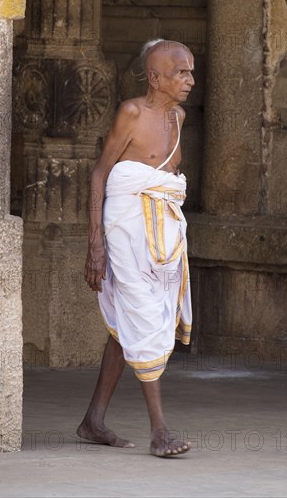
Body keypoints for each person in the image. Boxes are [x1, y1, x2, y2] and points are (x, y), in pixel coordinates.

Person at [77, 39, 195, 457]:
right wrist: (95, 243)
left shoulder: (179, 117)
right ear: (155, 76)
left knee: (131, 318)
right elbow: (99, 174)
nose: (189, 80)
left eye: (190, 72)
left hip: (162, 234)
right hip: (124, 229)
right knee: (143, 315)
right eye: (181, 72)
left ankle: (93, 420)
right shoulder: (131, 112)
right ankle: (160, 430)